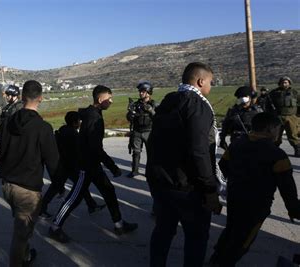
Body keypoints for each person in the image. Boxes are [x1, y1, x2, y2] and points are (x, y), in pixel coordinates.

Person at [146, 62, 222, 267]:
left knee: (163, 232)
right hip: (188, 188)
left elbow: (154, 143)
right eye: (211, 83)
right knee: (196, 238)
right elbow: (199, 151)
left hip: (163, 183)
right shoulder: (197, 104)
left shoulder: (169, 100)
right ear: (201, 81)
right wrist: (209, 188)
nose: (211, 87)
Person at [49, 85, 138, 243]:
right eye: (109, 99)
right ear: (99, 99)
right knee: (74, 198)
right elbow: (95, 147)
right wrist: (112, 166)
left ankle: (119, 224)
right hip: (86, 166)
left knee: (109, 191)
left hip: (94, 165)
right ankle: (55, 227)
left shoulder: (94, 114)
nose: (111, 101)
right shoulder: (93, 117)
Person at [209, 112, 300, 266]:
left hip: (234, 199)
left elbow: (221, 170)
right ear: (271, 129)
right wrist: (294, 209)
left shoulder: (236, 145)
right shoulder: (277, 155)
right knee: (243, 242)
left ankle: (216, 258)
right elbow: (287, 188)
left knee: (231, 230)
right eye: (279, 130)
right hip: (256, 207)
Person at [0, 80, 59, 267]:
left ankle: (26, 255)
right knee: (20, 235)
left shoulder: (6, 123)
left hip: (7, 187)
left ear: (22, 97)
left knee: (23, 228)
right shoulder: (43, 128)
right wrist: (59, 185)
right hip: (27, 190)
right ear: (40, 98)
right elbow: (53, 162)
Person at [39, 111, 106, 219]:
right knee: (59, 188)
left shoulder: (62, 131)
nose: (80, 123)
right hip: (69, 166)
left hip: (63, 165)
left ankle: (92, 205)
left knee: (79, 186)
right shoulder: (73, 134)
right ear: (74, 123)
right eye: (79, 121)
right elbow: (77, 152)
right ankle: (41, 209)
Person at [0, 85, 24, 180]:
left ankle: (15, 173)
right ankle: (2, 172)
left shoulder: (19, 106)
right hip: (4, 134)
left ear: (14, 95)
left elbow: (16, 121)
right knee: (3, 154)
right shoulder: (8, 106)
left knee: (14, 156)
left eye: (8, 95)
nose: (6, 97)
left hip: (13, 135)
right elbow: (3, 117)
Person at [126, 80, 157, 178]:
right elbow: (129, 118)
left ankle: (150, 172)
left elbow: (159, 118)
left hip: (149, 131)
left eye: (143, 91)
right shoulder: (135, 104)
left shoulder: (154, 104)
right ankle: (134, 171)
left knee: (151, 153)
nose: (140, 93)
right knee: (136, 152)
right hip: (137, 132)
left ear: (148, 92)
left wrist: (151, 110)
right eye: (140, 91)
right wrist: (130, 114)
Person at [266, 76, 300, 156]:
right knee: (276, 136)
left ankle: (298, 150)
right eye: (282, 82)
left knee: (293, 135)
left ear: (289, 83)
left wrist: (297, 116)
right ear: (279, 83)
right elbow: (267, 105)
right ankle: (274, 151)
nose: (284, 84)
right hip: (277, 117)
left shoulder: (295, 92)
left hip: (291, 117)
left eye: (286, 82)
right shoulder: (273, 93)